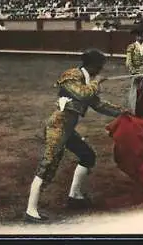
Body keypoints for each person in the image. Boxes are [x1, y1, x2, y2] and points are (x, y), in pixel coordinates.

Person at [25, 49, 128, 223]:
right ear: (92, 65)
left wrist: (121, 112)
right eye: (99, 67)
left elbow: (98, 104)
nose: (100, 70)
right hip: (57, 128)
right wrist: (96, 83)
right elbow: (83, 94)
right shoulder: (72, 75)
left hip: (67, 129)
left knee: (87, 156)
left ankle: (75, 196)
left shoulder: (86, 81)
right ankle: (31, 210)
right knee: (48, 165)